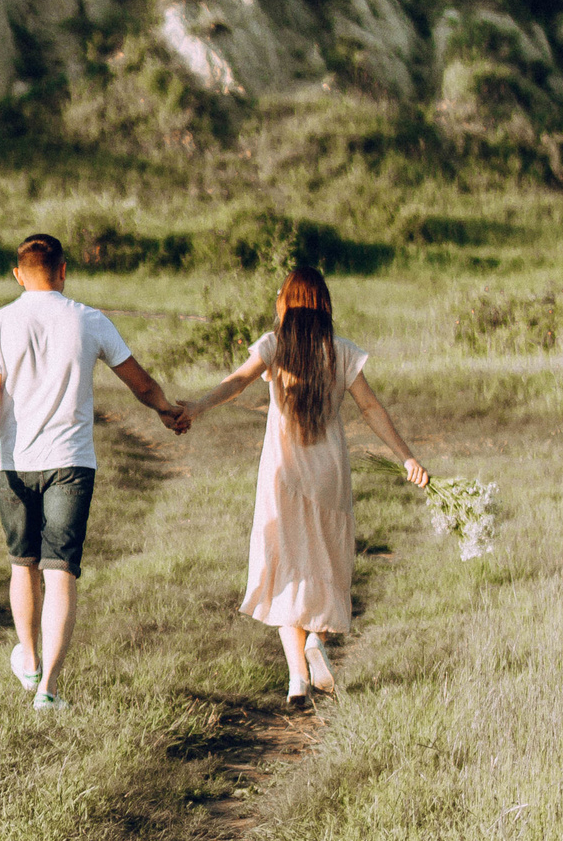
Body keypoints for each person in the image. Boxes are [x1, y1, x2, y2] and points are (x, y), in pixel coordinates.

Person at [175, 266, 427, 711]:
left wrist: (196, 406)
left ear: (287, 303)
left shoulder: (274, 346)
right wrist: (406, 455)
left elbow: (236, 383)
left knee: (287, 568)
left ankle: (296, 680)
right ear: (324, 304)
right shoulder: (342, 352)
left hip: (284, 476)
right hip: (329, 475)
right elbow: (370, 408)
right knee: (328, 565)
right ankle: (315, 640)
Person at [0, 233, 186, 711]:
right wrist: (167, 411)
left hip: (12, 464)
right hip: (71, 463)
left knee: (22, 565)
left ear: (17, 274)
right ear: (64, 270)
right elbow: (139, 382)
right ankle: (47, 688)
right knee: (60, 570)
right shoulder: (89, 320)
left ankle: (27, 657)